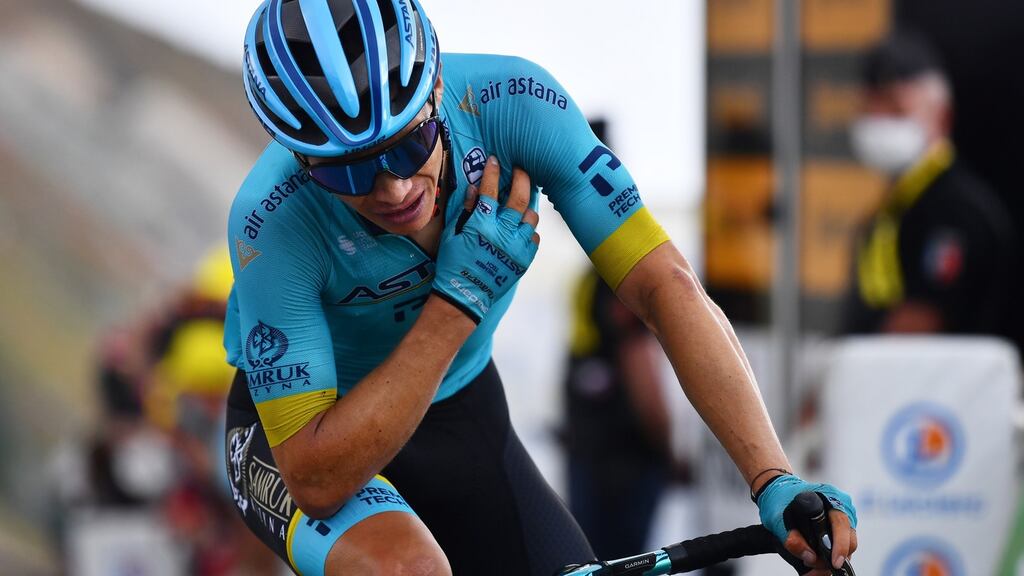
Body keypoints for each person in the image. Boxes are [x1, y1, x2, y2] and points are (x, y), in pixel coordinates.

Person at [224, 1, 857, 575]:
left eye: (406, 144)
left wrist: (772, 476)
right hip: (305, 438)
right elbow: (316, 480)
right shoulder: (270, 222)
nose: (393, 189)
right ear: (299, 157)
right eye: (348, 171)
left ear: (437, 88)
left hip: (462, 413)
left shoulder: (513, 105)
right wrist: (457, 301)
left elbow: (664, 286)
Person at [843, 31, 1015, 336]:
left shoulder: (957, 210)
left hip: (945, 381)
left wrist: (848, 371)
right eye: (870, 109)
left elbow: (917, 328)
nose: (879, 122)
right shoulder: (894, 208)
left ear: (943, 117)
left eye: (897, 109)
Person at [562, 266, 682, 559]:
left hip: (585, 452)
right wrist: (669, 452)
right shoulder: (622, 277)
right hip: (630, 463)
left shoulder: (588, 279)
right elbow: (641, 371)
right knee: (628, 562)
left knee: (588, 560)